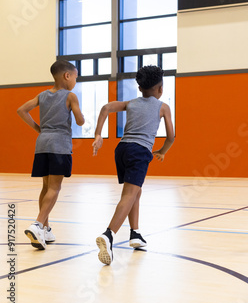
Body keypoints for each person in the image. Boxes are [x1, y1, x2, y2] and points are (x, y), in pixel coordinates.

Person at [92, 65, 174, 265]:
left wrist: (98, 134)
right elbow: (171, 136)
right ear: (160, 89)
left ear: (140, 88)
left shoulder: (131, 103)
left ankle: (135, 233)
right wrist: (162, 151)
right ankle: (109, 234)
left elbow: (106, 108)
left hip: (122, 149)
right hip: (140, 151)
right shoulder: (163, 107)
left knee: (135, 191)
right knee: (129, 194)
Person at [17, 60, 85, 250]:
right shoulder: (70, 96)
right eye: (76, 77)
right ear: (67, 76)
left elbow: (21, 110)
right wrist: (79, 114)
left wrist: (39, 128)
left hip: (42, 143)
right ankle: (37, 224)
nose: (75, 81)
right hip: (59, 145)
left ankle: (45, 228)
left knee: (46, 187)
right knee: (55, 188)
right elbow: (80, 121)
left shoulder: (42, 95)